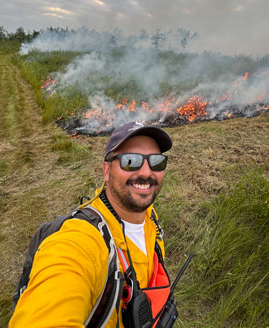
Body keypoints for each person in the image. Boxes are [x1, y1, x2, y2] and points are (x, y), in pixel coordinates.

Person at [9, 121, 173, 328]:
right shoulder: (80, 242)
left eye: (156, 162)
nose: (146, 173)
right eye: (131, 161)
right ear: (106, 171)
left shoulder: (149, 215)